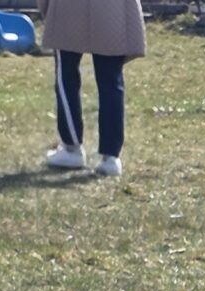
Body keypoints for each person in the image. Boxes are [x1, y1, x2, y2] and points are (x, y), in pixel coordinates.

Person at [39, 0, 146, 179]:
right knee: (111, 80)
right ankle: (111, 157)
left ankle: (71, 147)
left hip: (68, 8)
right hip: (112, 10)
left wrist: (47, 10)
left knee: (66, 76)